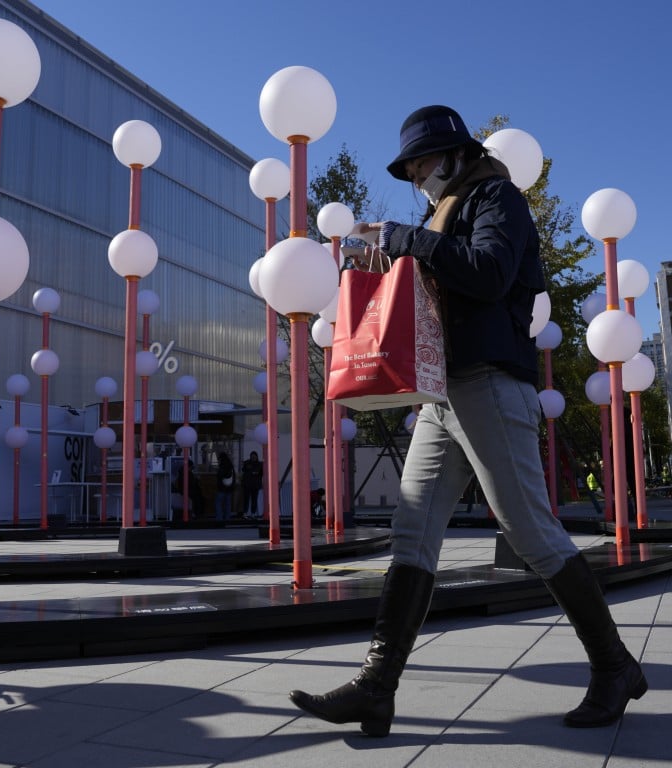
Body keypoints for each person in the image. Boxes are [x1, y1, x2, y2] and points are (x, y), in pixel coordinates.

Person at [289, 105, 646, 736]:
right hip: (441, 393)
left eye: (424, 162)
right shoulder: (442, 213)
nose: (419, 176)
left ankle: (615, 666)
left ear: (455, 154)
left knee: (530, 532)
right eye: (412, 168)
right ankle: (376, 687)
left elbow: (487, 273)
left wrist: (408, 239)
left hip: (489, 384)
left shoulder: (496, 197)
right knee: (412, 531)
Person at [241, 451, 263, 518]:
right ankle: (245, 513)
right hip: (247, 484)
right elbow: (243, 470)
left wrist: (256, 473)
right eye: (252, 456)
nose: (253, 458)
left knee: (254, 499)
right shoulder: (247, 463)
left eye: (254, 456)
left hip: (255, 485)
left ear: (256, 457)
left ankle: (253, 513)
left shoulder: (259, 464)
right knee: (246, 499)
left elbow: (262, 473)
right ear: (250, 457)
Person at [215, 451, 235, 521]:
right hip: (229, 488)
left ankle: (219, 518)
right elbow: (233, 477)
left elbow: (219, 476)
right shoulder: (230, 466)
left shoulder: (222, 466)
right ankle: (227, 519)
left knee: (218, 503)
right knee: (228, 504)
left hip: (222, 488)